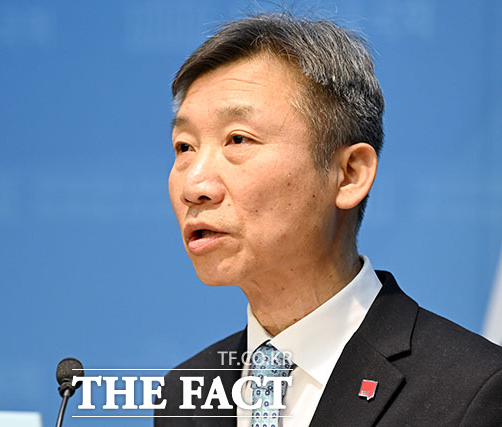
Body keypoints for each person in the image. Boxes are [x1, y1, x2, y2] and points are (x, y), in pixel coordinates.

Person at [154, 13, 502, 427]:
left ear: (350, 174)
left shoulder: (471, 391)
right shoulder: (186, 393)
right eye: (184, 146)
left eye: (238, 139)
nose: (195, 185)